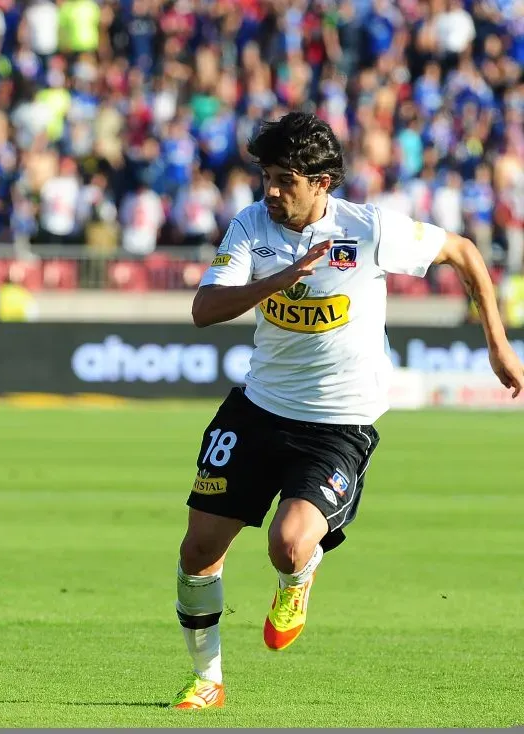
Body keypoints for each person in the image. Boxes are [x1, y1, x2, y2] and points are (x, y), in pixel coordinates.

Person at [171, 112, 524, 711]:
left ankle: (297, 578)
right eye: (267, 177)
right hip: (257, 409)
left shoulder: (369, 229)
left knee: (287, 544)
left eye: (287, 180)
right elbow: (205, 308)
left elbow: (462, 252)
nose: (273, 191)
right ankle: (207, 681)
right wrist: (281, 277)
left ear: (323, 183)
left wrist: (498, 342)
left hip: (338, 421)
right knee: (198, 551)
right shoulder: (251, 225)